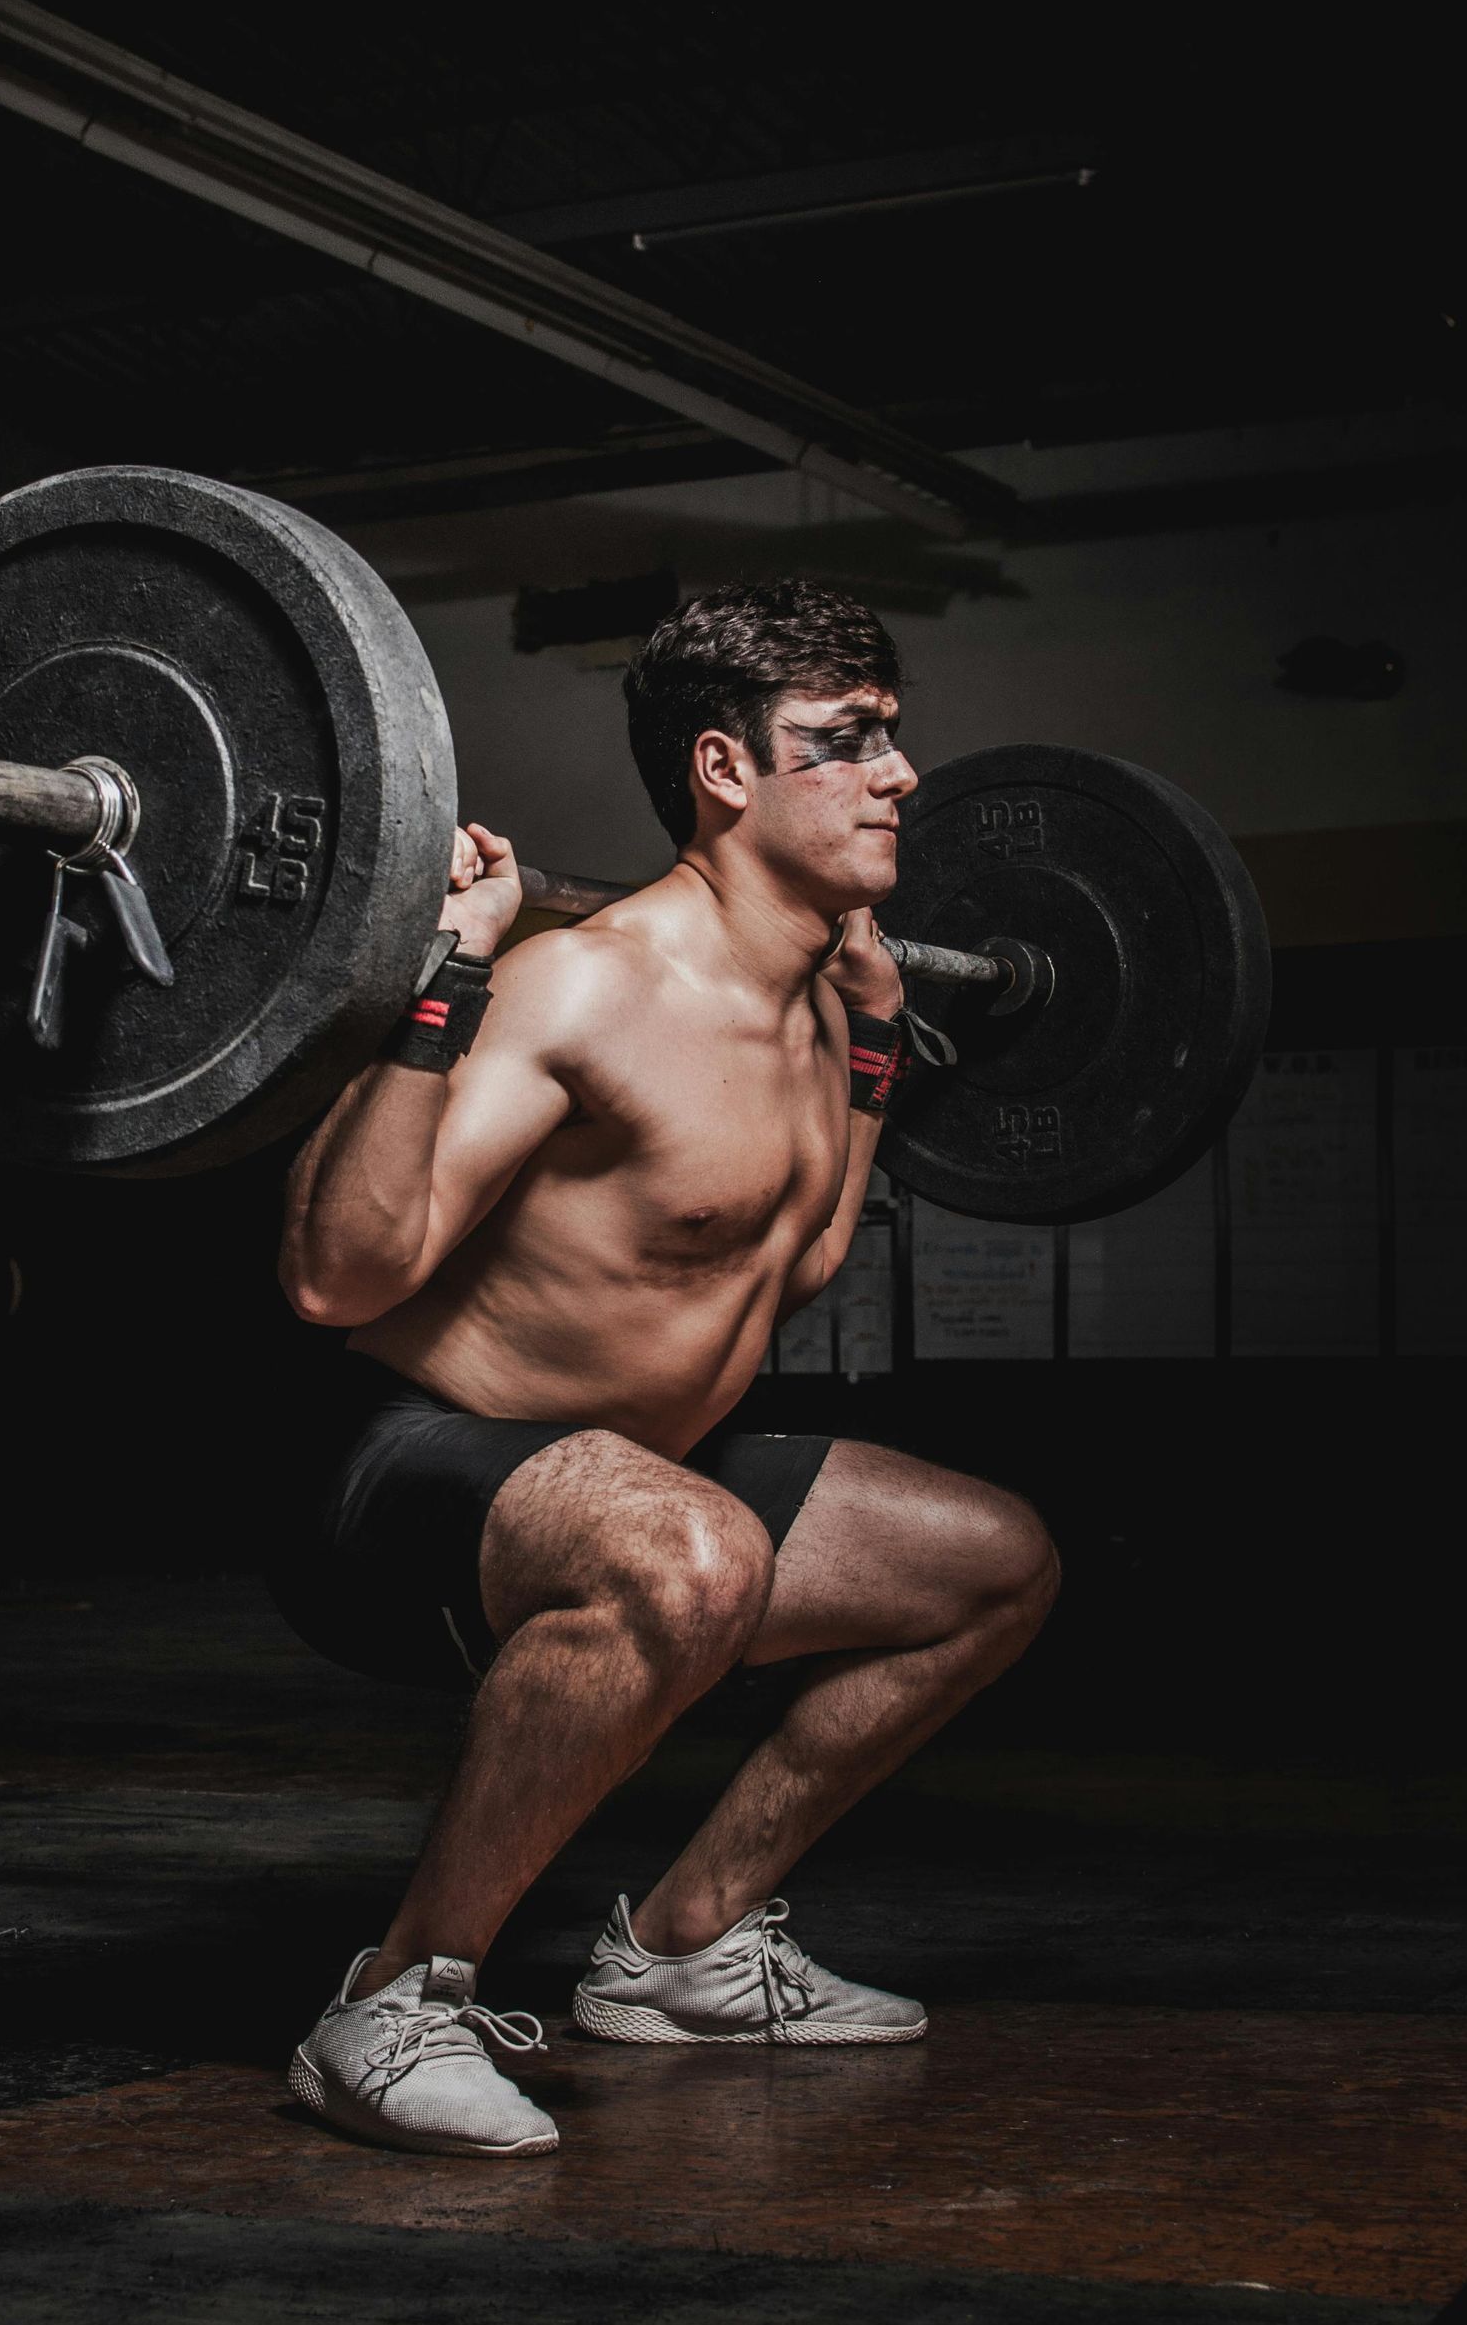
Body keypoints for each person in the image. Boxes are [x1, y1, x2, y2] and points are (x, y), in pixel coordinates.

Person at [275, 581, 1059, 2157]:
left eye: (891, 738)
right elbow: (333, 1274)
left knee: (994, 1564)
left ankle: (688, 1947)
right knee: (689, 1556)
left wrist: (880, 1049)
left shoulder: (811, 1006)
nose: (898, 776)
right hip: (402, 1466)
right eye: (845, 745)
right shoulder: (589, 986)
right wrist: (449, 978)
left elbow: (808, 1257)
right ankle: (390, 2001)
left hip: (640, 1474)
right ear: (724, 772)